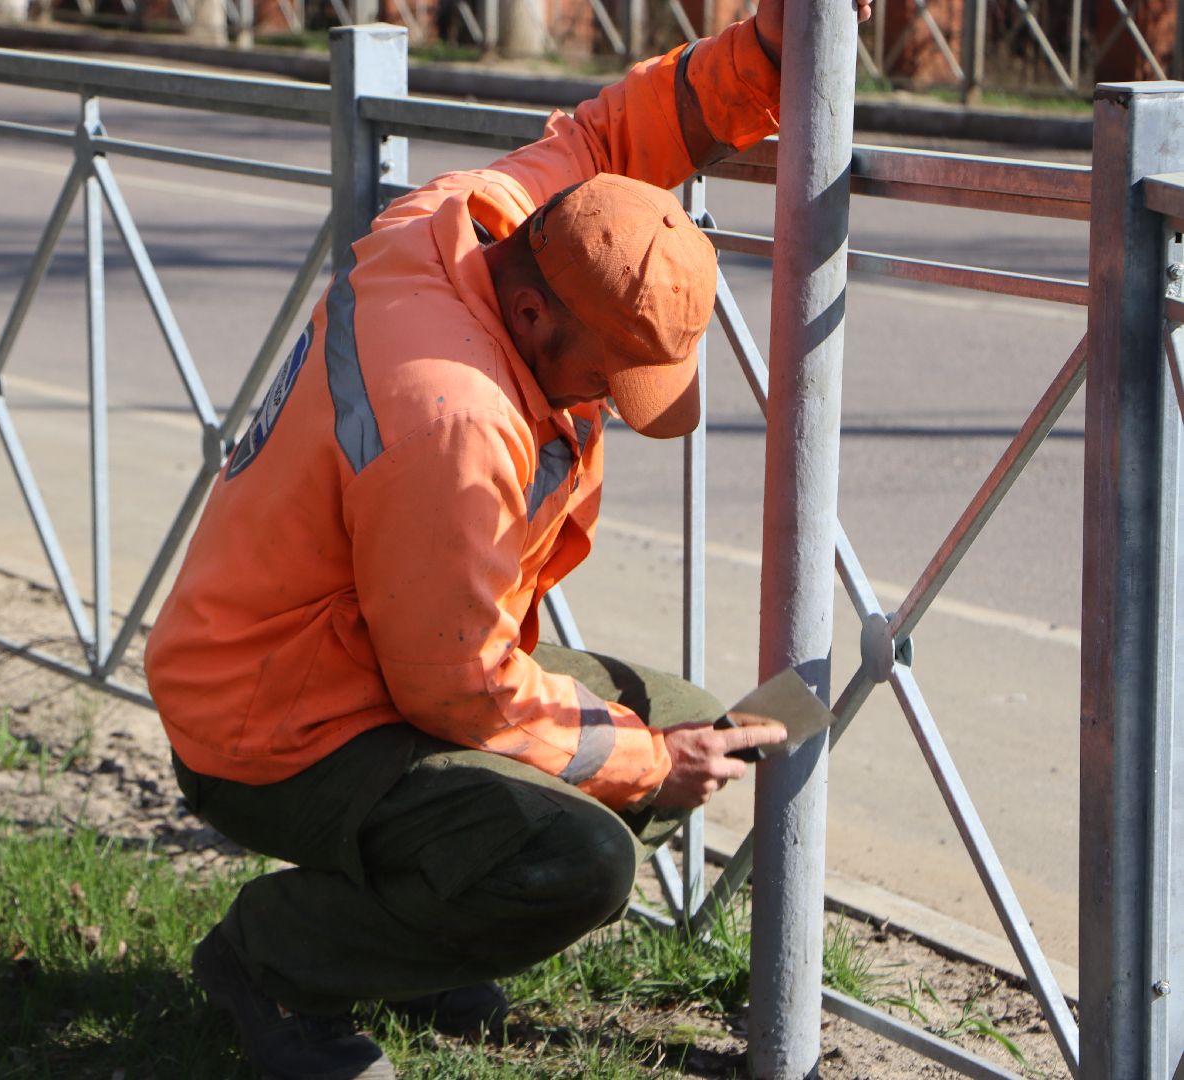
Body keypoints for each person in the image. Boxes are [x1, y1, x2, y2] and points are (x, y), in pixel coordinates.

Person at [145, 1, 870, 1075]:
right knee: (584, 853)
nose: (610, 405)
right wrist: (645, 766)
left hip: (365, 653)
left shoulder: (472, 222)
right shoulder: (455, 420)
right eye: (607, 377)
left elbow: (619, 134)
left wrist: (770, 50)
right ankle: (278, 965)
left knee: (684, 722)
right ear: (531, 318)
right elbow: (461, 691)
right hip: (276, 717)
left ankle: (423, 935)